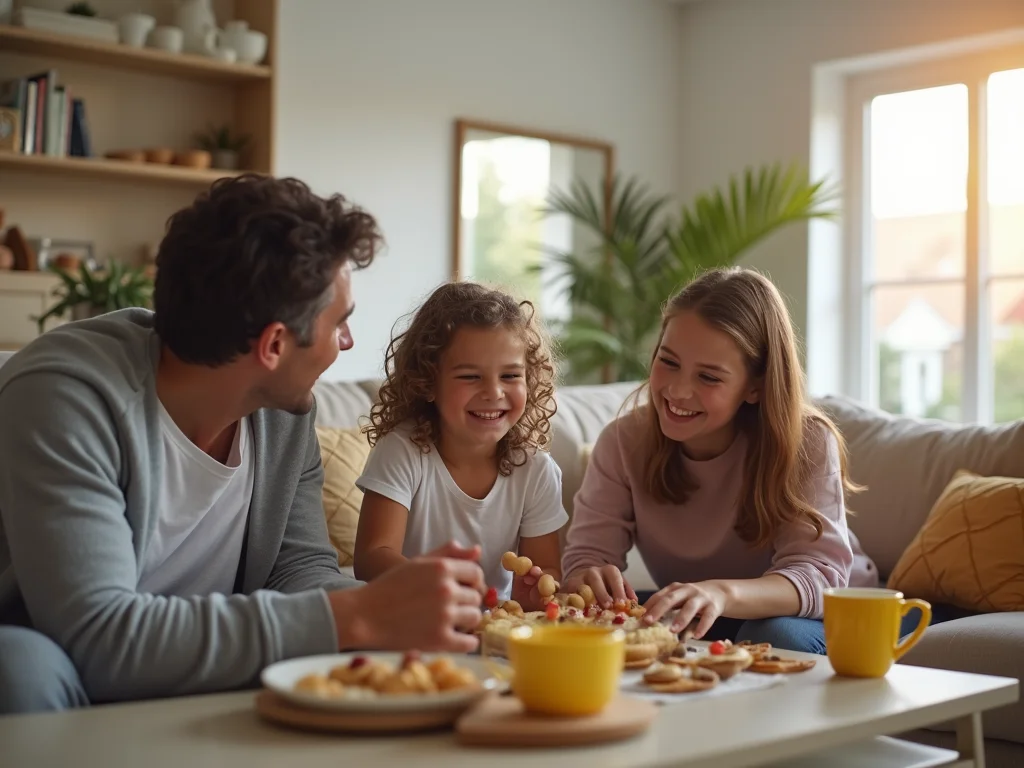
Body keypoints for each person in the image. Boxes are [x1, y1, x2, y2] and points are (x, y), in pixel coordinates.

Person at [0, 175, 486, 715]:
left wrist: (413, 607)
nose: (346, 343)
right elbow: (97, 637)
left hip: (212, 666)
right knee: (17, 666)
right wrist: (357, 616)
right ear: (274, 344)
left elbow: (298, 571)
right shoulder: (65, 396)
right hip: (73, 665)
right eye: (340, 324)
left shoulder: (283, 411)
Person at [561, 266, 882, 654]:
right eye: (669, 361)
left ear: (754, 387)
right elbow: (587, 557)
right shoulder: (622, 442)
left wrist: (721, 593)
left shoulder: (807, 441)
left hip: (832, 613)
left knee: (775, 636)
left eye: (709, 377)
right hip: (708, 608)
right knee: (625, 620)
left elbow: (817, 577)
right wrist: (588, 577)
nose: (678, 391)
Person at [353, 282, 567, 611]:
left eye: (510, 376)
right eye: (470, 377)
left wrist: (534, 593)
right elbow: (371, 557)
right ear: (427, 382)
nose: (494, 392)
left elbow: (547, 570)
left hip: (493, 630)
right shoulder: (402, 450)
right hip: (410, 619)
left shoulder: (536, 470)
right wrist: (430, 583)